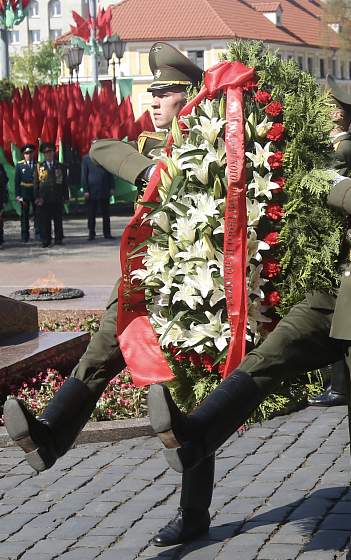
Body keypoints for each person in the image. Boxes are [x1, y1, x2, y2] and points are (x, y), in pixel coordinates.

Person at [145, 37, 351, 560]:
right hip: (333, 294)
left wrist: (325, 180)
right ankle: (196, 434)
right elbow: (339, 201)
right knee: (267, 358)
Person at [2, 43, 211, 548]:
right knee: (96, 357)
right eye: (151, 91)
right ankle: (49, 435)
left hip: (191, 290)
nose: (154, 100)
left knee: (186, 395)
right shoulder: (149, 146)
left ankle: (193, 512)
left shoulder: (213, 149)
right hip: (138, 283)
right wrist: (149, 172)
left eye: (164, 92)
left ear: (189, 97)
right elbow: (99, 146)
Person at [305, 76, 351, 410]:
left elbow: (325, 188)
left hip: (336, 241)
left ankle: (340, 386)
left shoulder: (343, 148)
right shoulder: (342, 146)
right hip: (336, 239)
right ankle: (336, 381)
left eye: (324, 108)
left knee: (337, 317)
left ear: (336, 115)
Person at [35, 142, 68, 248]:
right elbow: (36, 184)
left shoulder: (60, 166)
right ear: (43, 154)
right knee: (45, 221)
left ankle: (58, 238)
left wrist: (66, 196)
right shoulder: (39, 167)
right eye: (46, 153)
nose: (48, 154)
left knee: (58, 219)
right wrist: (37, 197)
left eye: (50, 152)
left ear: (54, 153)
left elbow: (64, 183)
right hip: (44, 199)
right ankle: (46, 240)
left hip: (57, 197)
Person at [82, 152, 115, 240]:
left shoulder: (105, 157)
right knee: (91, 214)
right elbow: (84, 175)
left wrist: (112, 187)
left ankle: (107, 233)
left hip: (104, 189)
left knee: (106, 214)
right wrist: (85, 190)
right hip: (92, 191)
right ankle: (91, 233)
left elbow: (110, 173)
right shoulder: (86, 158)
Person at [14, 144, 37, 242]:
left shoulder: (38, 164)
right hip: (24, 193)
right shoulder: (20, 165)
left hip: (35, 192)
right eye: (26, 153)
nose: (28, 155)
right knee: (24, 215)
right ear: (24, 155)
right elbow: (16, 181)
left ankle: (38, 232)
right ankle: (24, 235)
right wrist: (18, 195)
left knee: (38, 214)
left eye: (30, 153)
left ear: (33, 153)